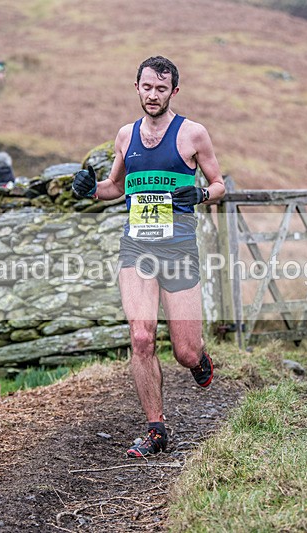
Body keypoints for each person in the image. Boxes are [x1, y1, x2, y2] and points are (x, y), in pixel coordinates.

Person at [72, 56, 226, 458]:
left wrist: (203, 194)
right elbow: (113, 188)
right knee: (141, 336)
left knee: (185, 351)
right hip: (136, 248)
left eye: (161, 88)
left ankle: (199, 359)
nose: (153, 95)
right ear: (136, 87)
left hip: (178, 249)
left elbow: (219, 182)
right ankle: (156, 429)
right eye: (147, 87)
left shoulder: (193, 134)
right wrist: (88, 188)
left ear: (173, 91)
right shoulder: (126, 136)